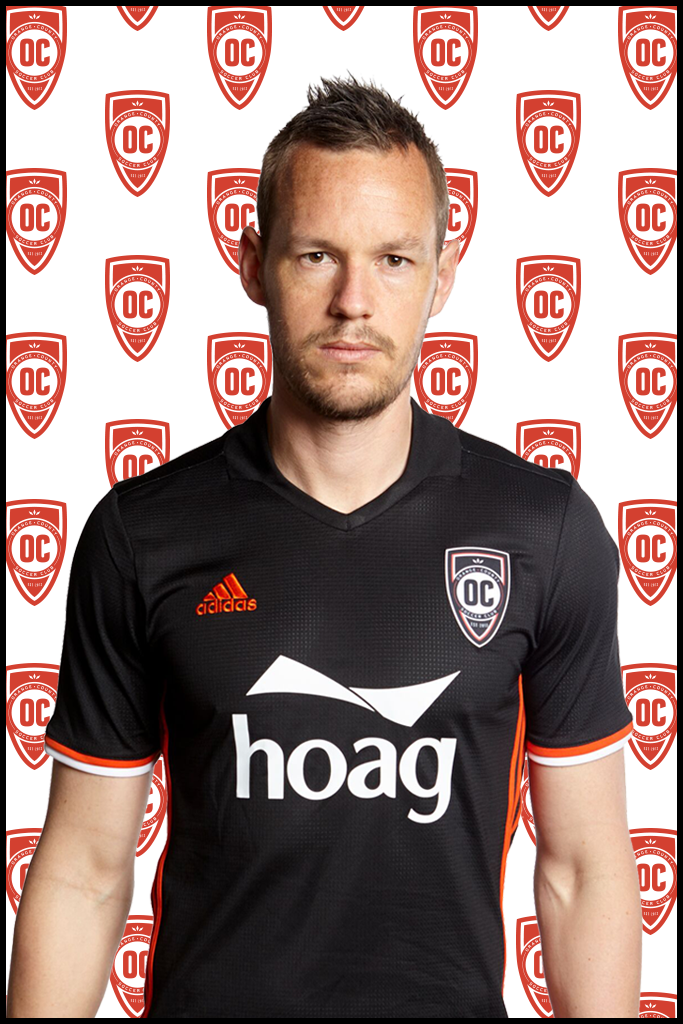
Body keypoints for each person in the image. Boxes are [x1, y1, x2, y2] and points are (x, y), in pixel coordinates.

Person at [7, 77, 641, 1019]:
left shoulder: (541, 530)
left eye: (393, 259)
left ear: (442, 274)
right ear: (252, 261)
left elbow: (583, 870)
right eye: (316, 256)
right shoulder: (143, 533)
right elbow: (85, 871)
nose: (353, 301)